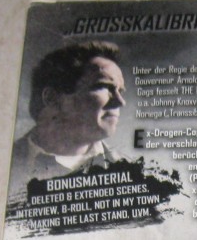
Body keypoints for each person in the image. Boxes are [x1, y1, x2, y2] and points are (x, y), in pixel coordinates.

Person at [11, 41, 126, 188]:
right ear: (52, 98)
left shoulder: (133, 172)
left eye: (120, 91)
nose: (120, 102)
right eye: (104, 86)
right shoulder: (4, 162)